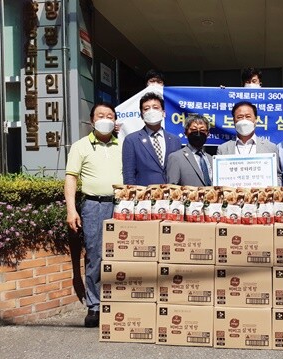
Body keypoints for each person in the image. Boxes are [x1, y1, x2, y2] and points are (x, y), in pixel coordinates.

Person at [64, 102, 122, 328]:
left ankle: (117, 302)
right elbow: (71, 177)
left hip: (120, 205)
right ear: (92, 121)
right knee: (95, 255)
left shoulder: (123, 145)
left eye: (110, 115)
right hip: (93, 206)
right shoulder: (80, 146)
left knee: (120, 254)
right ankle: (95, 306)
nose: (105, 118)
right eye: (101, 115)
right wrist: (71, 209)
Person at [122, 92, 181, 185]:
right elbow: (129, 174)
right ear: (141, 115)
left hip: (171, 195)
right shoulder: (131, 140)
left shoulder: (175, 140)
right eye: (146, 109)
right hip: (144, 196)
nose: (151, 111)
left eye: (155, 107)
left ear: (164, 113)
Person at [217, 101, 282, 185]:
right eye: (240, 117)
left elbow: (277, 176)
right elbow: (219, 178)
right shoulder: (223, 149)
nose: (244, 120)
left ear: (255, 120)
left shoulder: (270, 147)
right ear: (233, 121)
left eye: (248, 116)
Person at [167, 114, 213, 186]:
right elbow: (172, 188)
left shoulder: (211, 159)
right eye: (194, 130)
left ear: (208, 134)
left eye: (202, 130)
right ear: (186, 132)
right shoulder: (176, 157)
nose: (198, 133)